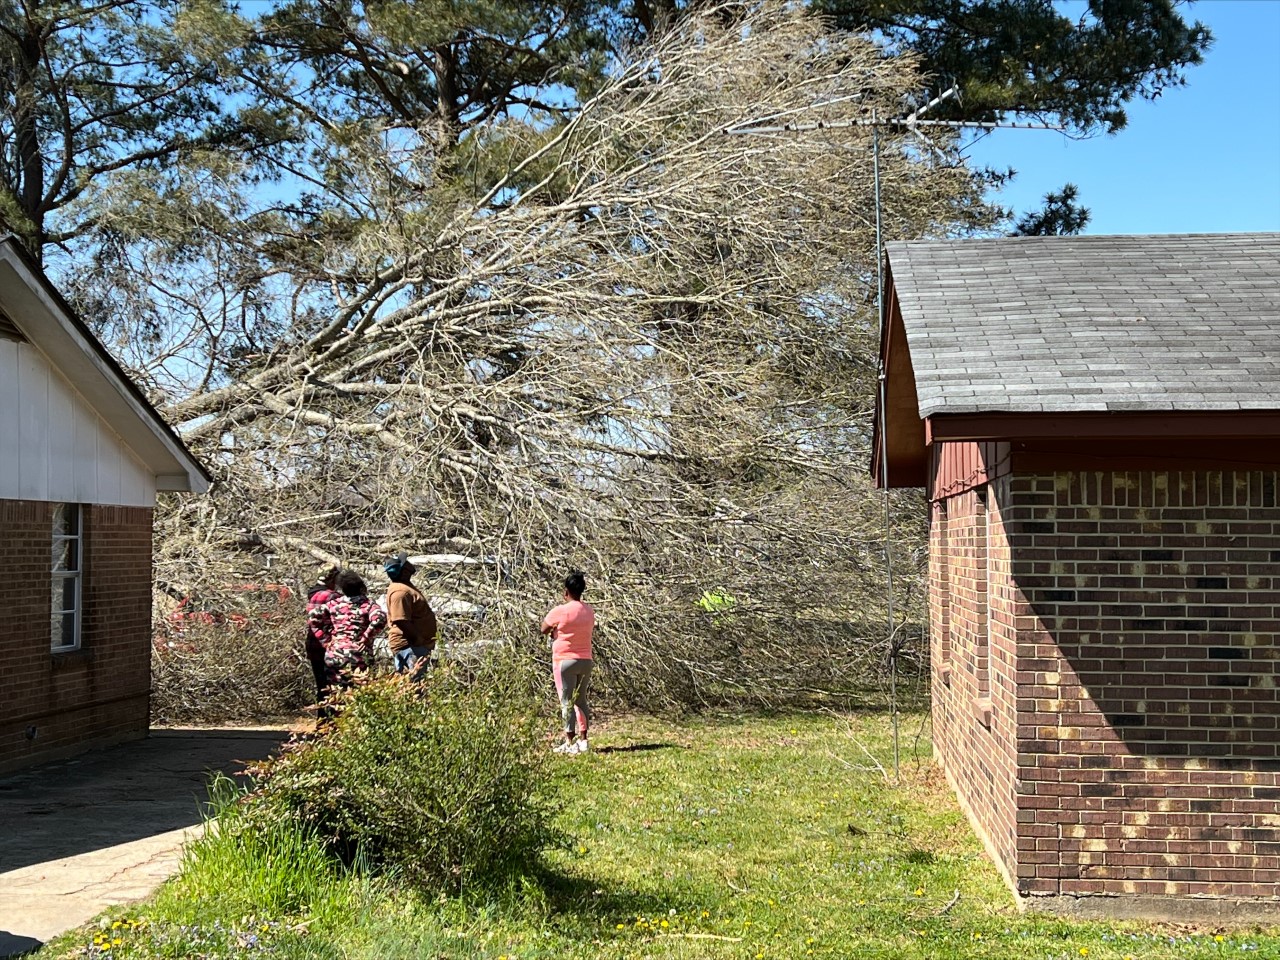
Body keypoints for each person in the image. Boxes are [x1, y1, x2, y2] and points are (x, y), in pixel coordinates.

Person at [541, 570, 595, 754]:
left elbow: (544, 628)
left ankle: (569, 742)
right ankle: (584, 740)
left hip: (564, 660)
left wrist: (555, 632)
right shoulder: (589, 611)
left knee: (566, 701)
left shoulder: (560, 611)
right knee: (581, 700)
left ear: (566, 591)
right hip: (586, 660)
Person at [319, 569, 387, 691]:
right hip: (358, 654)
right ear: (360, 586)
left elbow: (314, 617)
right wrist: (366, 637)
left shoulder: (333, 604)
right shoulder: (368, 605)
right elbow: (379, 619)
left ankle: (336, 710)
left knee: (336, 693)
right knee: (359, 693)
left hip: (334, 654)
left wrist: (325, 639)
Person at [384, 551, 437, 677]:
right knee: (413, 687)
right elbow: (400, 620)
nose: (409, 564)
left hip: (414, 647)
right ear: (404, 571)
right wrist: (417, 640)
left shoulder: (404, 587)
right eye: (405, 563)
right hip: (409, 647)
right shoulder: (400, 592)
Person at [304, 566, 340, 702]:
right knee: (332, 686)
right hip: (327, 646)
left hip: (313, 644)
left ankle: (322, 721)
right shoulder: (331, 596)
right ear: (332, 578)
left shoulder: (313, 595)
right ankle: (331, 720)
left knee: (321, 686)